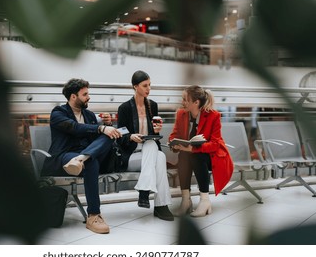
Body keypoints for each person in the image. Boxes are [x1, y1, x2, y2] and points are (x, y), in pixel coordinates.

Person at [41, 78, 122, 234]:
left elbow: (96, 136)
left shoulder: (90, 115)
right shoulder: (58, 112)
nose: (88, 97)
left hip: (80, 158)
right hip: (64, 156)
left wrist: (108, 127)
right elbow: (74, 127)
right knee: (92, 162)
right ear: (73, 96)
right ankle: (93, 215)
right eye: (85, 94)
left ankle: (82, 159)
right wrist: (100, 128)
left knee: (107, 138)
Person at [117, 70, 174, 221]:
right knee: (157, 154)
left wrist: (155, 131)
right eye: (145, 85)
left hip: (150, 151)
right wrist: (131, 137)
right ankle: (160, 206)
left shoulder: (152, 105)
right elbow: (120, 137)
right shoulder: (124, 108)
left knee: (157, 154)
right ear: (135, 87)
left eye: (150, 85)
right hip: (132, 153)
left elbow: (153, 135)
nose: (149, 89)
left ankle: (146, 192)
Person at [169, 85, 233, 217]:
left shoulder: (213, 116)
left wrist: (193, 148)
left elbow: (215, 144)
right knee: (184, 156)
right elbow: (174, 135)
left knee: (196, 156)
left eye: (185, 99)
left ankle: (205, 201)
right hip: (190, 154)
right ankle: (186, 200)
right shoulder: (181, 114)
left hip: (212, 157)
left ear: (196, 102)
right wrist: (174, 144)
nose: (182, 102)